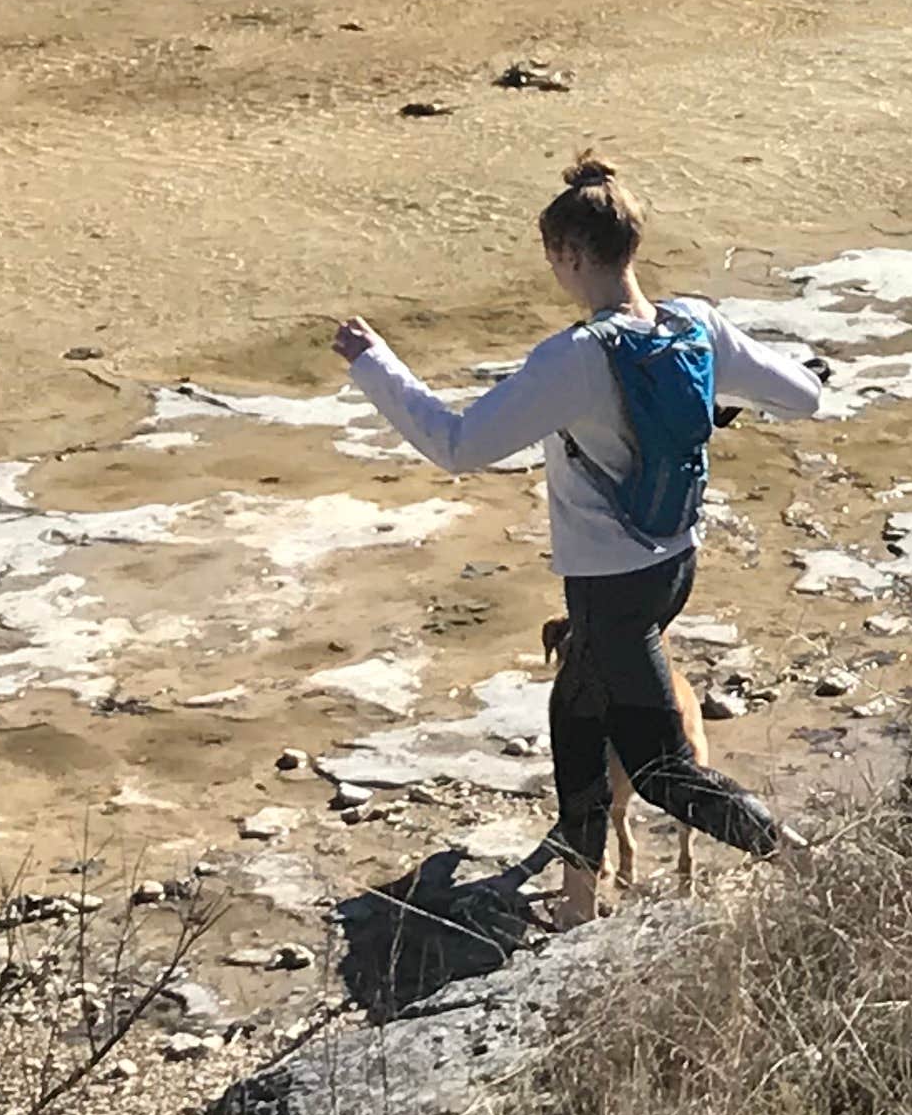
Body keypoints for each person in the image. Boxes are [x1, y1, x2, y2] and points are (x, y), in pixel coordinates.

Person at [335, 155, 824, 930]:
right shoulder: (696, 324)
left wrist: (374, 364)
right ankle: (577, 896)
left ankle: (799, 859)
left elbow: (458, 446)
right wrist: (710, 397)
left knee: (662, 768)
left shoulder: (575, 357)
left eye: (552, 260)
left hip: (609, 587)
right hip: (675, 564)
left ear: (568, 255)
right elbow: (805, 395)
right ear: (630, 244)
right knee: (576, 715)